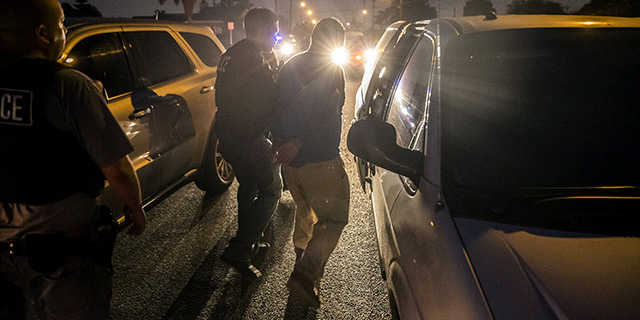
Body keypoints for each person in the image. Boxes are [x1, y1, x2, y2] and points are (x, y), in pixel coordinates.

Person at [0, 0, 146, 319]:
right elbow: (117, 169)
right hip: (58, 255)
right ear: (43, 33)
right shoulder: (67, 85)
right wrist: (134, 207)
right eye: (62, 25)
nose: (64, 32)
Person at [273, 17, 350, 308]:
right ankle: (305, 275)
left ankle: (301, 266)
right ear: (337, 41)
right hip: (319, 160)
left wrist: (281, 142)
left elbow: (275, 106)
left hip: (291, 165)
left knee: (306, 211)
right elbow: (327, 114)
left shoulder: (290, 63)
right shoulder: (333, 69)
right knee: (334, 219)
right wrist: (299, 142)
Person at [214, 7, 282, 279]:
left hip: (229, 136)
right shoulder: (253, 59)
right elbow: (271, 99)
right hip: (248, 139)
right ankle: (241, 247)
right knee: (272, 190)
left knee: (250, 185)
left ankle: (250, 240)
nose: (277, 35)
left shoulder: (231, 53)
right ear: (263, 30)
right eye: (275, 29)